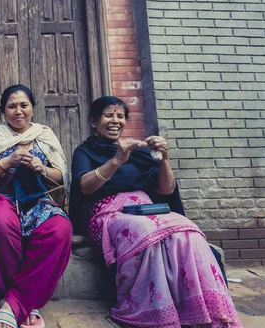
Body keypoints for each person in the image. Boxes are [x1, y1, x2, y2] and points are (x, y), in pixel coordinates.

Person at [69, 96, 242, 328]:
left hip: (147, 209)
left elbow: (166, 189)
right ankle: (157, 313)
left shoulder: (139, 152)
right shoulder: (85, 151)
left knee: (188, 231)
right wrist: (117, 159)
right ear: (93, 121)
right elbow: (84, 186)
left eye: (120, 116)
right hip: (107, 213)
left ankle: (195, 307)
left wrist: (164, 158)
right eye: (109, 115)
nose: (115, 121)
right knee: (144, 233)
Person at [0, 84, 72, 328]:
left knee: (60, 228)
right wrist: (5, 162)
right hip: (1, 197)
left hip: (37, 201)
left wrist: (42, 168)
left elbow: (61, 175)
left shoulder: (44, 134)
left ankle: (12, 303)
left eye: (24, 105)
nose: (18, 111)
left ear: (32, 108)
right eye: (12, 106)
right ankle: (22, 302)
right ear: (3, 111)